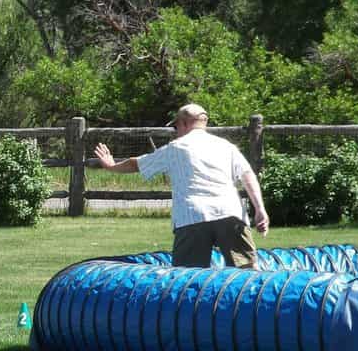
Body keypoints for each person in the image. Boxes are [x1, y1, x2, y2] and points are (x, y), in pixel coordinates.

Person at [92, 103, 270, 268]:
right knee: (247, 272)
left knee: (187, 279)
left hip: (191, 216)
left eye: (176, 127)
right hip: (230, 212)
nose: (175, 131)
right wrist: (260, 209)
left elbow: (136, 164)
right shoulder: (227, 146)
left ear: (184, 123)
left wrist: (111, 165)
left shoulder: (175, 148)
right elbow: (248, 176)